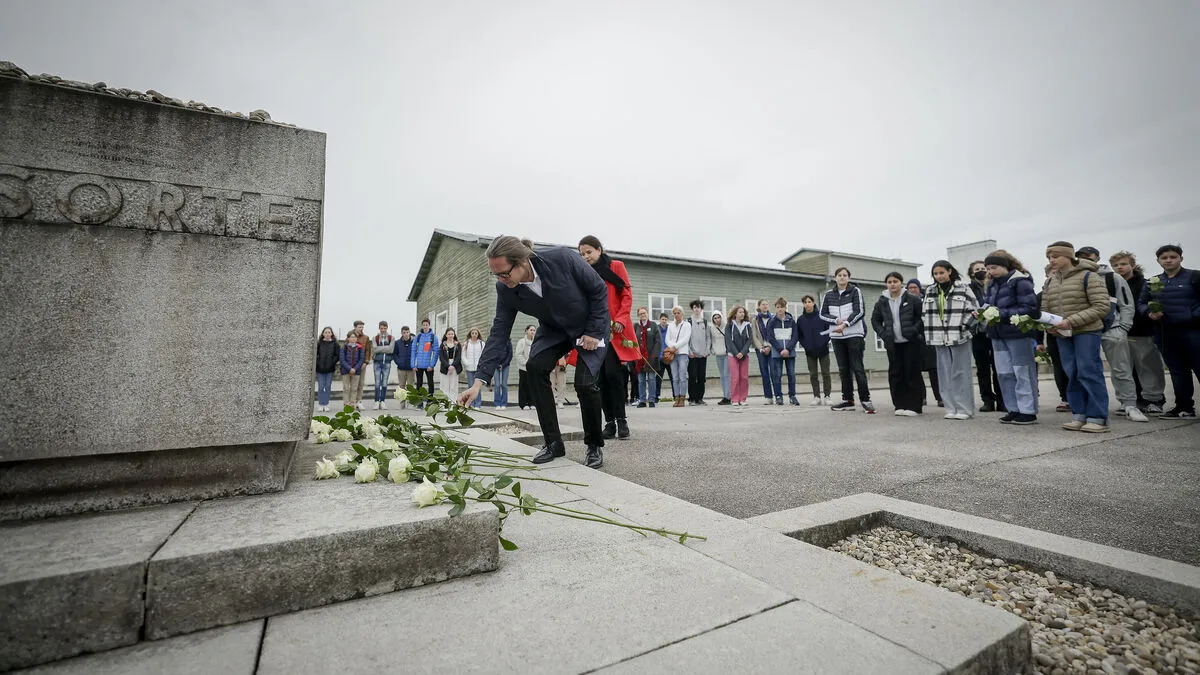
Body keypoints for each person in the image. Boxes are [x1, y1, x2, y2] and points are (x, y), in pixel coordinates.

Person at [458, 236, 610, 469]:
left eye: (504, 273)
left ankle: (593, 445)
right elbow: (499, 333)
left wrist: (593, 330)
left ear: (521, 262)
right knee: (534, 367)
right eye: (495, 274)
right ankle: (553, 443)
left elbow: (599, 290)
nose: (500, 279)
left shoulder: (562, 259)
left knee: (585, 383)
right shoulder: (505, 289)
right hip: (554, 330)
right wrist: (478, 382)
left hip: (588, 325)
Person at [1041, 242, 1112, 432]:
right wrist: (1048, 325)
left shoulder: (1089, 276)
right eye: (1049, 257)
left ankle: (1098, 417)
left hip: (1086, 331)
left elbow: (1101, 306)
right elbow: (1045, 308)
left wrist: (1070, 321)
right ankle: (1079, 414)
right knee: (1071, 372)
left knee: (1089, 371)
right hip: (1062, 334)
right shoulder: (1051, 280)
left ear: (1069, 256)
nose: (1051, 260)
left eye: (1055, 256)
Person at [578, 235, 640, 439]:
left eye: (589, 252)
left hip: (616, 331)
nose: (586, 257)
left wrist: (622, 319)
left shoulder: (616, 266)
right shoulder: (583, 273)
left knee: (614, 376)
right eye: (582, 254)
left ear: (599, 250)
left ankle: (622, 421)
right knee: (601, 379)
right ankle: (609, 423)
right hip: (595, 332)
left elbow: (626, 295)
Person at [1076, 246, 1147, 422]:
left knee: (1121, 368)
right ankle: (1091, 406)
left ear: (1097, 258)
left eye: (1090, 258)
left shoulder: (1111, 277)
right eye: (1081, 258)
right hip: (1085, 330)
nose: (1086, 261)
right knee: (1087, 370)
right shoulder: (1074, 278)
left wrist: (1123, 326)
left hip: (1113, 328)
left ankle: (1129, 404)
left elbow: (1126, 304)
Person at [1138, 244, 1200, 418]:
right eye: (1164, 258)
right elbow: (1141, 303)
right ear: (1158, 261)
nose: (1169, 260)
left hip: (1194, 332)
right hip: (1166, 333)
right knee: (1178, 372)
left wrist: (1191, 315)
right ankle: (1184, 407)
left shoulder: (1195, 277)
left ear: (1181, 258)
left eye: (1173, 256)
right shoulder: (1153, 281)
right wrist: (1149, 313)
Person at [980, 251, 1040, 424]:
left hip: (1018, 334)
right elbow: (988, 303)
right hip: (997, 335)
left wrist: (1001, 313)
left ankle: (1028, 410)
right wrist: (982, 312)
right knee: (1004, 373)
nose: (991, 271)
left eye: (995, 267)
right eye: (988, 268)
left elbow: (1029, 307)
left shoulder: (1020, 281)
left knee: (1022, 371)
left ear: (1006, 266)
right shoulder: (992, 284)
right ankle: (1013, 408)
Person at [922, 261, 979, 420]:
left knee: (961, 372)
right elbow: (924, 313)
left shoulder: (963, 288)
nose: (939, 276)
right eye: (935, 274)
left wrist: (963, 326)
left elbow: (975, 310)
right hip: (938, 337)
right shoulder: (930, 290)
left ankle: (964, 409)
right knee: (944, 372)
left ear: (949, 271)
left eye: (941, 272)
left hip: (959, 336)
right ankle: (950, 407)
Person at [1111, 251, 1166, 413]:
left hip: (1142, 331)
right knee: (1122, 369)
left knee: (1148, 366)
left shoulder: (1146, 284)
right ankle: (1127, 401)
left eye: (1123, 264)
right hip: (1119, 332)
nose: (1119, 267)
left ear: (1133, 265)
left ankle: (1153, 400)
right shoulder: (1112, 284)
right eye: (1116, 265)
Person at [871, 272, 924, 416]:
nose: (892, 284)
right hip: (893, 344)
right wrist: (883, 334)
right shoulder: (882, 301)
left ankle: (914, 406)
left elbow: (921, 318)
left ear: (901, 283)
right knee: (896, 374)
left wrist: (913, 331)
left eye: (895, 281)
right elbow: (875, 321)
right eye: (889, 282)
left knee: (911, 373)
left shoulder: (912, 299)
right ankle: (899, 405)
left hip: (910, 342)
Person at [821, 267, 874, 413]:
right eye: (839, 275)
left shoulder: (855, 291)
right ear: (835, 278)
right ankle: (848, 400)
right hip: (837, 336)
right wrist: (837, 321)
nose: (842, 277)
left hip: (854, 334)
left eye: (845, 275)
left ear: (848, 278)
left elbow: (860, 311)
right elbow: (822, 314)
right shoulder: (828, 295)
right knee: (843, 369)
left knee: (857, 368)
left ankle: (866, 400)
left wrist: (845, 324)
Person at [968, 261, 1004, 412]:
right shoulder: (969, 289)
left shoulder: (995, 285)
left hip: (996, 331)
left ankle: (1002, 400)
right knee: (982, 368)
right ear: (971, 273)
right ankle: (987, 400)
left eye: (983, 268)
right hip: (979, 333)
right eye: (977, 269)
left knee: (999, 367)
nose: (981, 271)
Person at [908, 279, 941, 407]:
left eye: (915, 287)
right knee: (916, 370)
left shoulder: (926, 301)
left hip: (928, 338)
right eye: (910, 287)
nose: (912, 290)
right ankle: (921, 397)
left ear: (919, 288)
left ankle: (940, 397)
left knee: (934, 369)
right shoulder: (906, 303)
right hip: (913, 338)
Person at [797, 294, 832, 405]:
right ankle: (816, 396)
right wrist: (806, 345)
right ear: (803, 304)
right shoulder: (801, 319)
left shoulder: (822, 316)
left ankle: (827, 396)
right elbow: (800, 336)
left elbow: (829, 331)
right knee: (813, 375)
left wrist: (823, 342)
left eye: (809, 302)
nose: (807, 304)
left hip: (823, 350)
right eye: (805, 302)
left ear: (813, 303)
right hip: (810, 352)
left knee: (826, 373)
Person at [766, 297, 800, 405]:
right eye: (778, 307)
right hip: (777, 353)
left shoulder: (791, 321)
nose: (780, 309)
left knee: (791, 374)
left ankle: (792, 396)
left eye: (782, 307)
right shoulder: (771, 322)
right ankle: (778, 396)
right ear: (775, 308)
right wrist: (781, 349)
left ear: (786, 308)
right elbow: (771, 338)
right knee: (777, 375)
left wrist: (788, 349)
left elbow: (795, 336)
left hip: (790, 352)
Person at [634, 307, 663, 408]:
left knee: (651, 379)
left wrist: (654, 355)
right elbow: (634, 341)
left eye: (644, 313)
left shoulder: (653, 325)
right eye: (641, 314)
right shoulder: (636, 326)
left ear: (647, 314)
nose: (643, 315)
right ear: (638, 315)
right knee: (641, 380)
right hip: (640, 358)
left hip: (651, 357)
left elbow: (658, 341)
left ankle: (651, 399)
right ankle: (642, 400)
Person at [725, 304, 753, 406]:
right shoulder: (729, 325)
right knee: (735, 377)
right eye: (740, 312)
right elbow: (728, 341)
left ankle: (743, 398)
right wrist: (736, 353)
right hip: (733, 355)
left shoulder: (747, 325)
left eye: (743, 312)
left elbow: (750, 340)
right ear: (735, 314)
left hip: (744, 354)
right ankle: (735, 399)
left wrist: (743, 352)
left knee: (744, 377)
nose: (742, 314)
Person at [666, 306, 692, 407]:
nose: (676, 315)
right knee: (675, 377)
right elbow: (667, 339)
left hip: (683, 353)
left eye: (678, 313)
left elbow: (686, 338)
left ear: (682, 313)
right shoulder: (670, 325)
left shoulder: (687, 325)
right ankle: (676, 397)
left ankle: (682, 398)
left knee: (682, 377)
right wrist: (671, 347)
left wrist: (676, 346)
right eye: (675, 313)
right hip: (673, 354)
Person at [687, 300, 712, 405]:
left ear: (701, 309)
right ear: (692, 309)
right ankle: (692, 398)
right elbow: (686, 338)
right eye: (694, 307)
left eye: (698, 307)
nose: (696, 309)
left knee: (701, 377)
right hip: (692, 355)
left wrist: (707, 351)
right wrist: (689, 351)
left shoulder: (705, 322)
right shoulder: (688, 321)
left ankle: (700, 398)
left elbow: (708, 338)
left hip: (703, 355)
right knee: (692, 376)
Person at [411, 318, 439, 406]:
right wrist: (413, 364)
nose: (425, 326)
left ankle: (429, 402)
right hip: (418, 365)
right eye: (424, 325)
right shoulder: (418, 337)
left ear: (429, 325)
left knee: (430, 384)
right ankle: (419, 402)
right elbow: (413, 350)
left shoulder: (433, 337)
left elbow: (436, 352)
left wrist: (432, 365)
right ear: (422, 326)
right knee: (419, 384)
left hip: (428, 366)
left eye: (427, 325)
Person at [750, 299, 774, 404]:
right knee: (764, 373)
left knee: (774, 372)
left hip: (772, 348)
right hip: (760, 349)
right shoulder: (755, 319)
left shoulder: (773, 318)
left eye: (766, 304)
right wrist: (761, 348)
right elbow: (754, 336)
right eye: (763, 304)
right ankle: (768, 397)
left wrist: (769, 346)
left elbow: (775, 334)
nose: (765, 306)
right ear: (759, 306)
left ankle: (777, 395)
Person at [371, 321, 394, 410]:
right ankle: (377, 401)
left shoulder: (391, 338)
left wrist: (381, 349)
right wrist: (385, 348)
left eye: (385, 328)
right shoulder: (375, 338)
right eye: (381, 328)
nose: (383, 330)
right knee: (377, 382)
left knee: (384, 382)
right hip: (377, 362)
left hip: (387, 362)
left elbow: (391, 350)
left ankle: (383, 401)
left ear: (387, 328)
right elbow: (375, 349)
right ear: (379, 328)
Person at [339, 330, 366, 410]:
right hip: (346, 371)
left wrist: (355, 368)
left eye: (354, 337)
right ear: (348, 338)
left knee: (354, 388)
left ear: (356, 338)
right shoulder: (344, 348)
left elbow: (361, 359)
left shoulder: (360, 348)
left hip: (356, 371)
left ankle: (353, 403)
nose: (353, 339)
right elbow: (342, 359)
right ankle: (346, 404)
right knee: (346, 388)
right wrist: (349, 368)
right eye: (351, 337)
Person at [315, 326, 339, 412]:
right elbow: (315, 355)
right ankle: (321, 404)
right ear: (323, 334)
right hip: (320, 369)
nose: (327, 334)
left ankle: (326, 403)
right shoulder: (319, 343)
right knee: (321, 387)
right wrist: (318, 363)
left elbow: (337, 356)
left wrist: (332, 363)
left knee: (327, 387)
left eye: (329, 332)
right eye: (326, 332)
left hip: (330, 369)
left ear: (331, 334)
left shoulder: (335, 344)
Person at [461, 328, 486, 409]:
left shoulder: (482, 343)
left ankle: (478, 404)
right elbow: (463, 355)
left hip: (479, 369)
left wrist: (481, 364)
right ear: (470, 334)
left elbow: (484, 355)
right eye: (473, 333)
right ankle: (470, 404)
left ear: (478, 334)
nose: (474, 334)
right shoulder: (466, 344)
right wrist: (467, 363)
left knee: (477, 387)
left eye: (476, 333)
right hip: (469, 368)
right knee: (470, 386)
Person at [710, 311, 731, 405]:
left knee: (727, 375)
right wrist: (713, 350)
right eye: (715, 318)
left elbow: (730, 339)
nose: (717, 319)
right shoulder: (712, 328)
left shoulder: (726, 326)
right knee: (722, 376)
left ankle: (728, 396)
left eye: (718, 317)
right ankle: (725, 395)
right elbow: (712, 341)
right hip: (718, 354)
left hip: (726, 354)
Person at [393, 326, 415, 408]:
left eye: (407, 332)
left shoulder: (413, 342)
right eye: (404, 333)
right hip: (401, 368)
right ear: (402, 333)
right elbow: (395, 354)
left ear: (409, 332)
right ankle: (402, 403)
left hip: (411, 368)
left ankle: (410, 402)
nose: (405, 334)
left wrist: (414, 364)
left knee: (410, 386)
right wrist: (399, 362)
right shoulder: (397, 343)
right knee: (401, 386)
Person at [439, 328, 462, 402]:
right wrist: (448, 366)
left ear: (454, 334)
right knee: (444, 386)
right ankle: (444, 403)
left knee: (453, 386)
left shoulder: (457, 344)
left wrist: (452, 366)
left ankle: (453, 403)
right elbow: (441, 357)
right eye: (449, 334)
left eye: (452, 334)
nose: (450, 335)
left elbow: (458, 357)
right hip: (445, 366)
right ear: (446, 335)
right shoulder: (443, 345)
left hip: (455, 366)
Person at [515, 325, 535, 409]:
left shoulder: (535, 342)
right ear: (526, 331)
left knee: (532, 386)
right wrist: (525, 363)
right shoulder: (522, 342)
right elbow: (518, 354)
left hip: (533, 368)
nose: (532, 332)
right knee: (524, 386)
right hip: (524, 368)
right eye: (531, 330)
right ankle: (524, 403)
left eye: (534, 330)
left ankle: (532, 403)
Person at [353, 321, 372, 404]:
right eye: (359, 327)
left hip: (362, 364)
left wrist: (366, 362)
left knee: (360, 384)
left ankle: (359, 401)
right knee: (353, 384)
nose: (361, 329)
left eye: (362, 327)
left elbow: (368, 351)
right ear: (355, 327)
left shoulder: (366, 338)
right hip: (352, 364)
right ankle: (352, 401)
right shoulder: (350, 336)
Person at [492, 334, 513, 410]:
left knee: (504, 384)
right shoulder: (494, 341)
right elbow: (493, 354)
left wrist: (503, 365)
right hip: (496, 365)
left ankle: (504, 403)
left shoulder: (508, 342)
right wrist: (497, 365)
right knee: (497, 385)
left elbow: (510, 355)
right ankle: (497, 403)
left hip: (506, 365)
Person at [657, 312, 671, 400]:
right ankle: (656, 396)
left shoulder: (670, 328)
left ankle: (675, 395)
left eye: (665, 319)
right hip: (660, 357)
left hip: (669, 357)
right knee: (658, 378)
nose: (664, 321)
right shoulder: (657, 328)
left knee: (673, 378)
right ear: (660, 320)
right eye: (662, 319)